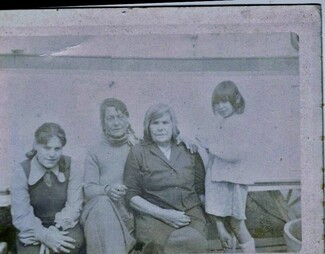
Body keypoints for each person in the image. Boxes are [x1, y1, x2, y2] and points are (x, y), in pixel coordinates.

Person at [124, 103, 208, 254]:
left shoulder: (188, 149)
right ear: (148, 126)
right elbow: (131, 195)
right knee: (156, 244)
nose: (160, 127)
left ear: (173, 125)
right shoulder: (138, 152)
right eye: (155, 123)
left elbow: (200, 188)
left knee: (194, 241)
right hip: (152, 216)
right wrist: (163, 214)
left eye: (165, 122)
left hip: (188, 214)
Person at [198, 80, 256, 253]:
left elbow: (235, 153)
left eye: (225, 101)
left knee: (237, 224)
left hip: (233, 182)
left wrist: (210, 147)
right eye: (217, 103)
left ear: (236, 100)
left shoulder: (239, 123)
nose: (220, 106)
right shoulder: (223, 123)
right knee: (225, 224)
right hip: (221, 180)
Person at [11, 122, 84, 254]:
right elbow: (21, 214)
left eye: (57, 149)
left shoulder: (72, 166)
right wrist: (44, 235)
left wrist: (54, 231)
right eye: (46, 148)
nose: (52, 154)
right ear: (35, 145)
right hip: (32, 231)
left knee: (67, 247)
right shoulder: (21, 171)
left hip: (65, 227)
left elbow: (74, 206)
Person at [81, 98, 139, 254]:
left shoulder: (138, 146)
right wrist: (107, 190)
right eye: (110, 118)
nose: (116, 123)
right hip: (101, 214)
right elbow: (89, 189)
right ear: (103, 123)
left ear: (127, 119)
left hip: (130, 213)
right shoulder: (94, 150)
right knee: (102, 204)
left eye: (120, 117)